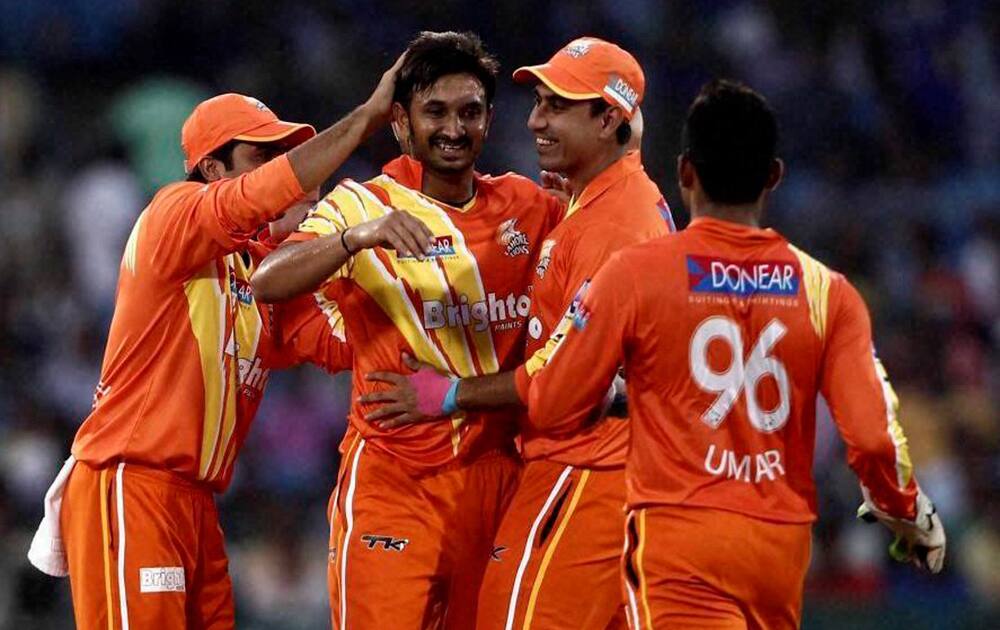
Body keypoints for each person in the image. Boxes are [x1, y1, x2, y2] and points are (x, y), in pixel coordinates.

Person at [526, 80, 946, 629]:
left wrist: (633, 395)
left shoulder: (636, 275)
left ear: (684, 174)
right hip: (779, 547)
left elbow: (552, 402)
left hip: (679, 537)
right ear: (773, 176)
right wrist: (909, 513)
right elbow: (871, 438)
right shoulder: (828, 291)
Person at [27, 54, 409, 628]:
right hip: (134, 482)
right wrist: (364, 119)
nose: (281, 170)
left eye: (281, 155)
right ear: (210, 168)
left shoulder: (259, 270)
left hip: (197, 503)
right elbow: (254, 199)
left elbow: (341, 343)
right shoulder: (171, 216)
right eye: (261, 156)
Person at [250, 31, 565, 629]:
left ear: (489, 121)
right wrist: (355, 241)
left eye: (470, 112)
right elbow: (267, 278)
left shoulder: (529, 206)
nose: (454, 128)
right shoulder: (362, 206)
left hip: (496, 479)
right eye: (435, 112)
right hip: (393, 479)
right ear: (401, 122)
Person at [362, 36, 673, 630]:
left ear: (609, 118)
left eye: (558, 106)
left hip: (586, 474)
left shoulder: (612, 226)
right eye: (537, 103)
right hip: (605, 474)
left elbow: (558, 385)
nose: (536, 120)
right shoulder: (609, 203)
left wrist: (447, 395)